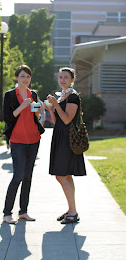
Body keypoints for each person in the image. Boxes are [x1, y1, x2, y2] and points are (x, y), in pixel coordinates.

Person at [2, 65, 45, 224]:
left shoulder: (33, 94)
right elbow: (8, 117)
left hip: (33, 139)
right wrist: (22, 106)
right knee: (18, 175)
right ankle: (7, 213)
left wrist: (38, 111)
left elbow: (36, 117)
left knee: (28, 176)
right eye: (22, 76)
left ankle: (23, 211)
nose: (25, 79)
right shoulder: (10, 95)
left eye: (28, 76)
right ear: (16, 78)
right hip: (18, 140)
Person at [44, 67, 86, 224]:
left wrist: (55, 103)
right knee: (65, 175)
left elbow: (68, 120)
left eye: (65, 77)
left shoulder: (73, 97)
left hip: (67, 140)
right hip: (60, 137)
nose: (62, 79)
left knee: (61, 175)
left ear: (72, 80)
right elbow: (58, 123)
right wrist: (51, 109)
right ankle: (71, 209)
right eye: (60, 77)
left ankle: (73, 212)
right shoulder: (62, 96)